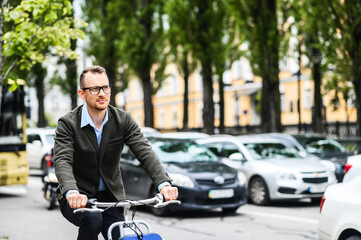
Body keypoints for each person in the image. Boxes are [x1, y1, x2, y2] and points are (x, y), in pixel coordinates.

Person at [53, 65, 178, 240]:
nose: (102, 94)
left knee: (118, 235)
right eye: (95, 89)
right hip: (79, 195)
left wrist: (163, 183)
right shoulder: (68, 123)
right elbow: (62, 159)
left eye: (105, 87)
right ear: (82, 93)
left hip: (111, 197)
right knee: (92, 218)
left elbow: (144, 150)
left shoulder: (122, 120)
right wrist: (72, 192)